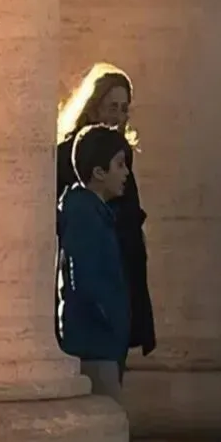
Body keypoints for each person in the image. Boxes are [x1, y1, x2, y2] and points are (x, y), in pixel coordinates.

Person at [56, 62, 156, 361]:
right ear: (94, 107)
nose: (118, 116)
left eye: (124, 109)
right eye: (112, 107)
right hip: (94, 298)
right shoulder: (68, 158)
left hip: (120, 274)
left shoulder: (120, 155)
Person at [56, 124, 132, 402]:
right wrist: (111, 319)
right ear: (99, 172)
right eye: (120, 165)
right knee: (110, 417)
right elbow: (85, 278)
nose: (126, 173)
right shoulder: (85, 215)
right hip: (95, 343)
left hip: (101, 342)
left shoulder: (95, 213)